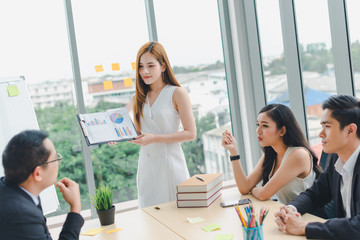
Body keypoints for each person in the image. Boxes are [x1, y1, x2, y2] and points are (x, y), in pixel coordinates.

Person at [274, 95, 360, 239]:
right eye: (322, 126)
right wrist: (290, 209)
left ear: (350, 130)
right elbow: (315, 194)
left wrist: (305, 227)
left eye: (327, 127)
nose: (321, 134)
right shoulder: (336, 157)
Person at [125, 41, 196, 208]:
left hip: (170, 167)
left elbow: (190, 133)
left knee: (176, 220)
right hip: (147, 169)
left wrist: (154, 138)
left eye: (151, 65)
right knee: (151, 221)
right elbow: (138, 133)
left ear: (163, 66)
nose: (145, 71)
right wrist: (119, 135)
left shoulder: (177, 93)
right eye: (141, 67)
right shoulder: (137, 98)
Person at [222, 104, 321, 204]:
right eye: (258, 125)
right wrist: (234, 153)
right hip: (289, 214)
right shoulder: (271, 154)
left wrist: (252, 189)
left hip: (310, 216)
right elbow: (244, 188)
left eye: (265, 125)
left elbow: (263, 194)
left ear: (282, 130)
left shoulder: (298, 155)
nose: (258, 131)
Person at [0, 130, 84, 240]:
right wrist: (75, 209)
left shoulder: (10, 189)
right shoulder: (21, 215)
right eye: (55, 159)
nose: (58, 163)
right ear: (38, 173)